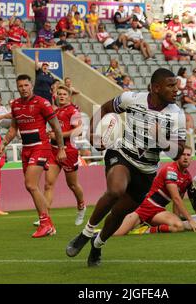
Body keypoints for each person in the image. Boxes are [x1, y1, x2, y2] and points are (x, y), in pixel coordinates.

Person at [66, 68, 186, 267]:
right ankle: (85, 234)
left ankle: (98, 244)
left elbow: (178, 152)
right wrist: (93, 134)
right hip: (121, 155)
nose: (176, 89)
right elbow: (105, 109)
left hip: (146, 171)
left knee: (118, 214)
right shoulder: (132, 99)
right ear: (156, 88)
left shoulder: (177, 115)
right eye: (171, 85)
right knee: (115, 190)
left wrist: (162, 139)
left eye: (176, 85)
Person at [0, 74, 67, 238]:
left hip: (41, 148)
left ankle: (45, 223)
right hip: (26, 149)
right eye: (20, 86)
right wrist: (4, 142)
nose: (23, 88)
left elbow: (56, 127)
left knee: (30, 184)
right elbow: (14, 128)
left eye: (26, 85)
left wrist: (61, 149)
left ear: (31, 86)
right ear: (17, 87)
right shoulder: (15, 105)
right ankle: (48, 224)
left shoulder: (42, 103)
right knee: (31, 187)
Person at [113, 146, 196, 235]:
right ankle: (98, 233)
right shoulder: (171, 171)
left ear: (191, 158)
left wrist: (176, 217)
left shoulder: (187, 177)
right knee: (117, 234)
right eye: (183, 154)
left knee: (178, 226)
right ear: (177, 156)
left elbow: (178, 201)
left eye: (188, 155)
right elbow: (176, 198)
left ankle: (146, 230)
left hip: (159, 209)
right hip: (143, 207)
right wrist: (190, 220)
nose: (185, 157)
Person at [33, 86, 86, 227]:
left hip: (69, 151)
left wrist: (59, 135)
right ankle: (45, 216)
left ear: (69, 96)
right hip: (53, 150)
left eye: (64, 94)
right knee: (48, 184)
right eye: (59, 94)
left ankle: (81, 206)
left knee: (73, 185)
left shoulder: (73, 111)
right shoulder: (54, 110)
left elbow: (78, 131)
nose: (61, 96)